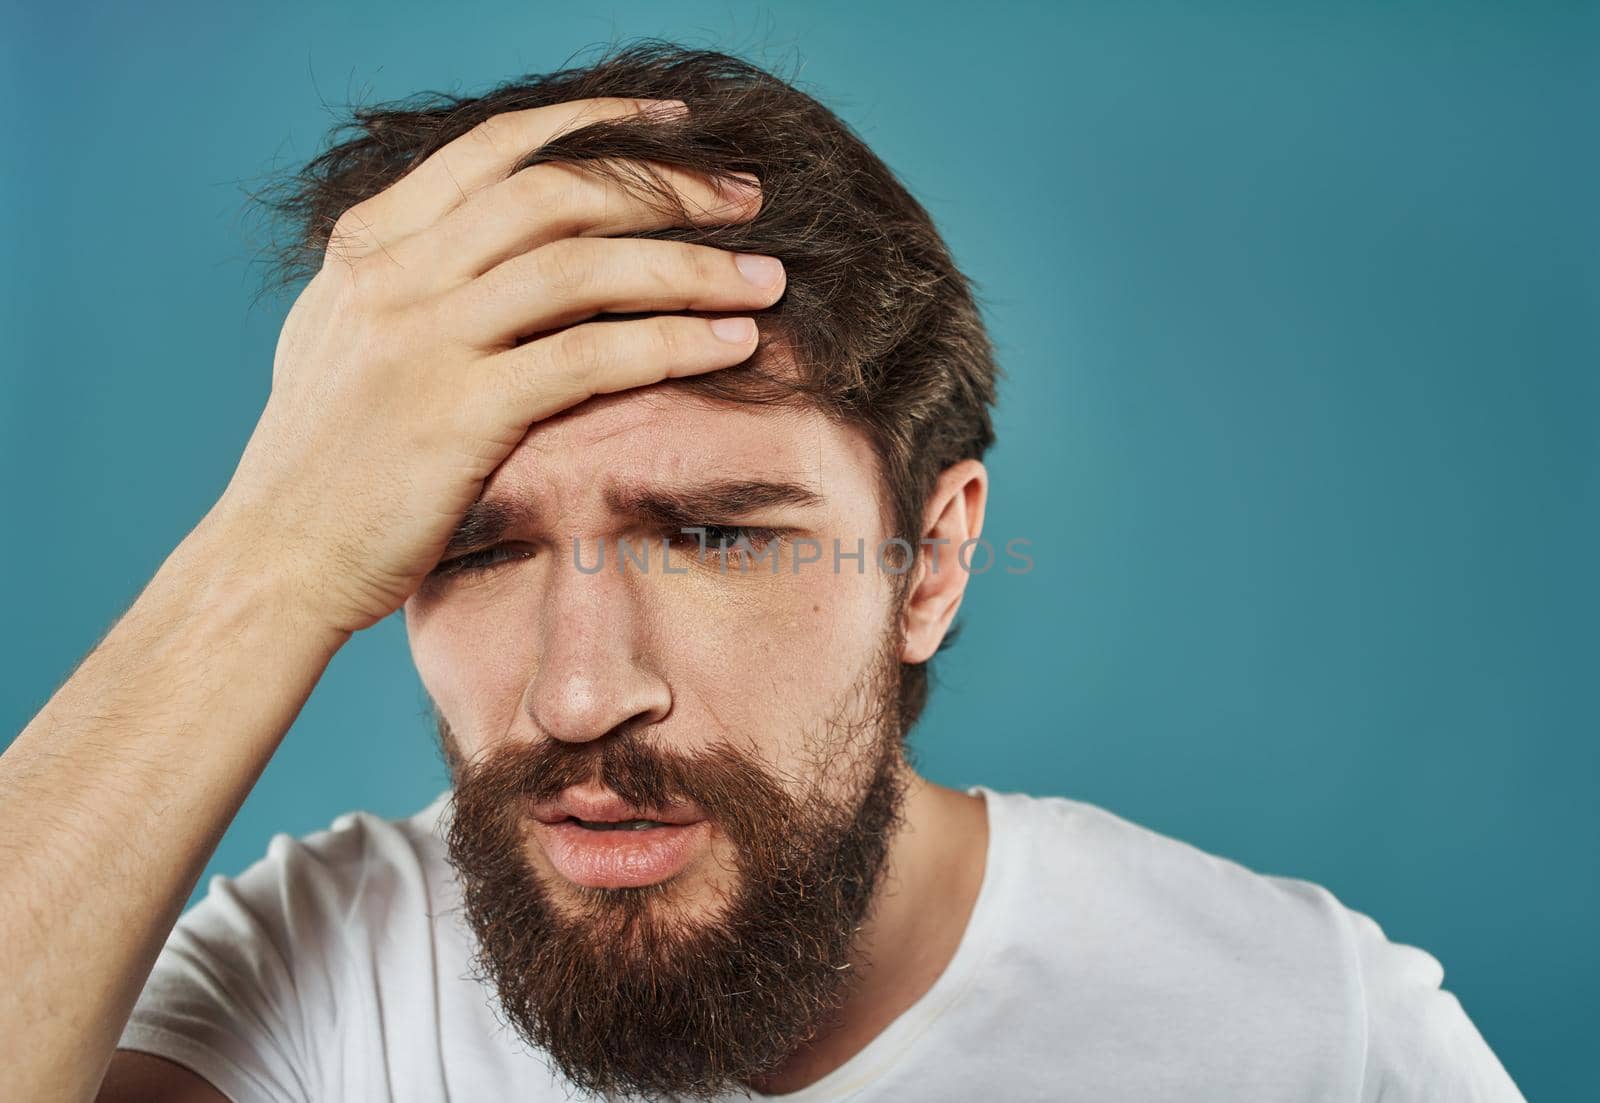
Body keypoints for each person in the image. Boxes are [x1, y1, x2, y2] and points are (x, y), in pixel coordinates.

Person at [1, 42, 1524, 1103]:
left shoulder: (1305, 1035)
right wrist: (263, 554)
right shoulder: (319, 982)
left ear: (929, 561)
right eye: (473, 544)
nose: (582, 690)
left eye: (717, 533)